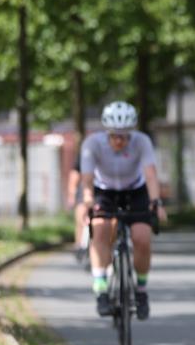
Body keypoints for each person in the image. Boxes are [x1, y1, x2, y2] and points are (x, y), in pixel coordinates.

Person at [81, 101, 168, 320]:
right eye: (114, 135)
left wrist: (156, 201)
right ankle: (100, 287)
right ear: (106, 132)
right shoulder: (92, 143)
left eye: (124, 136)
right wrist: (88, 199)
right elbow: (88, 178)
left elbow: (150, 173)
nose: (119, 140)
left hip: (135, 191)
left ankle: (141, 291)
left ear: (131, 133)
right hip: (105, 191)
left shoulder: (142, 142)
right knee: (100, 228)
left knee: (142, 238)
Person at [66, 154, 89, 266]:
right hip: (85, 190)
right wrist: (71, 195)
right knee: (81, 217)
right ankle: (79, 245)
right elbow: (74, 175)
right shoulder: (85, 155)